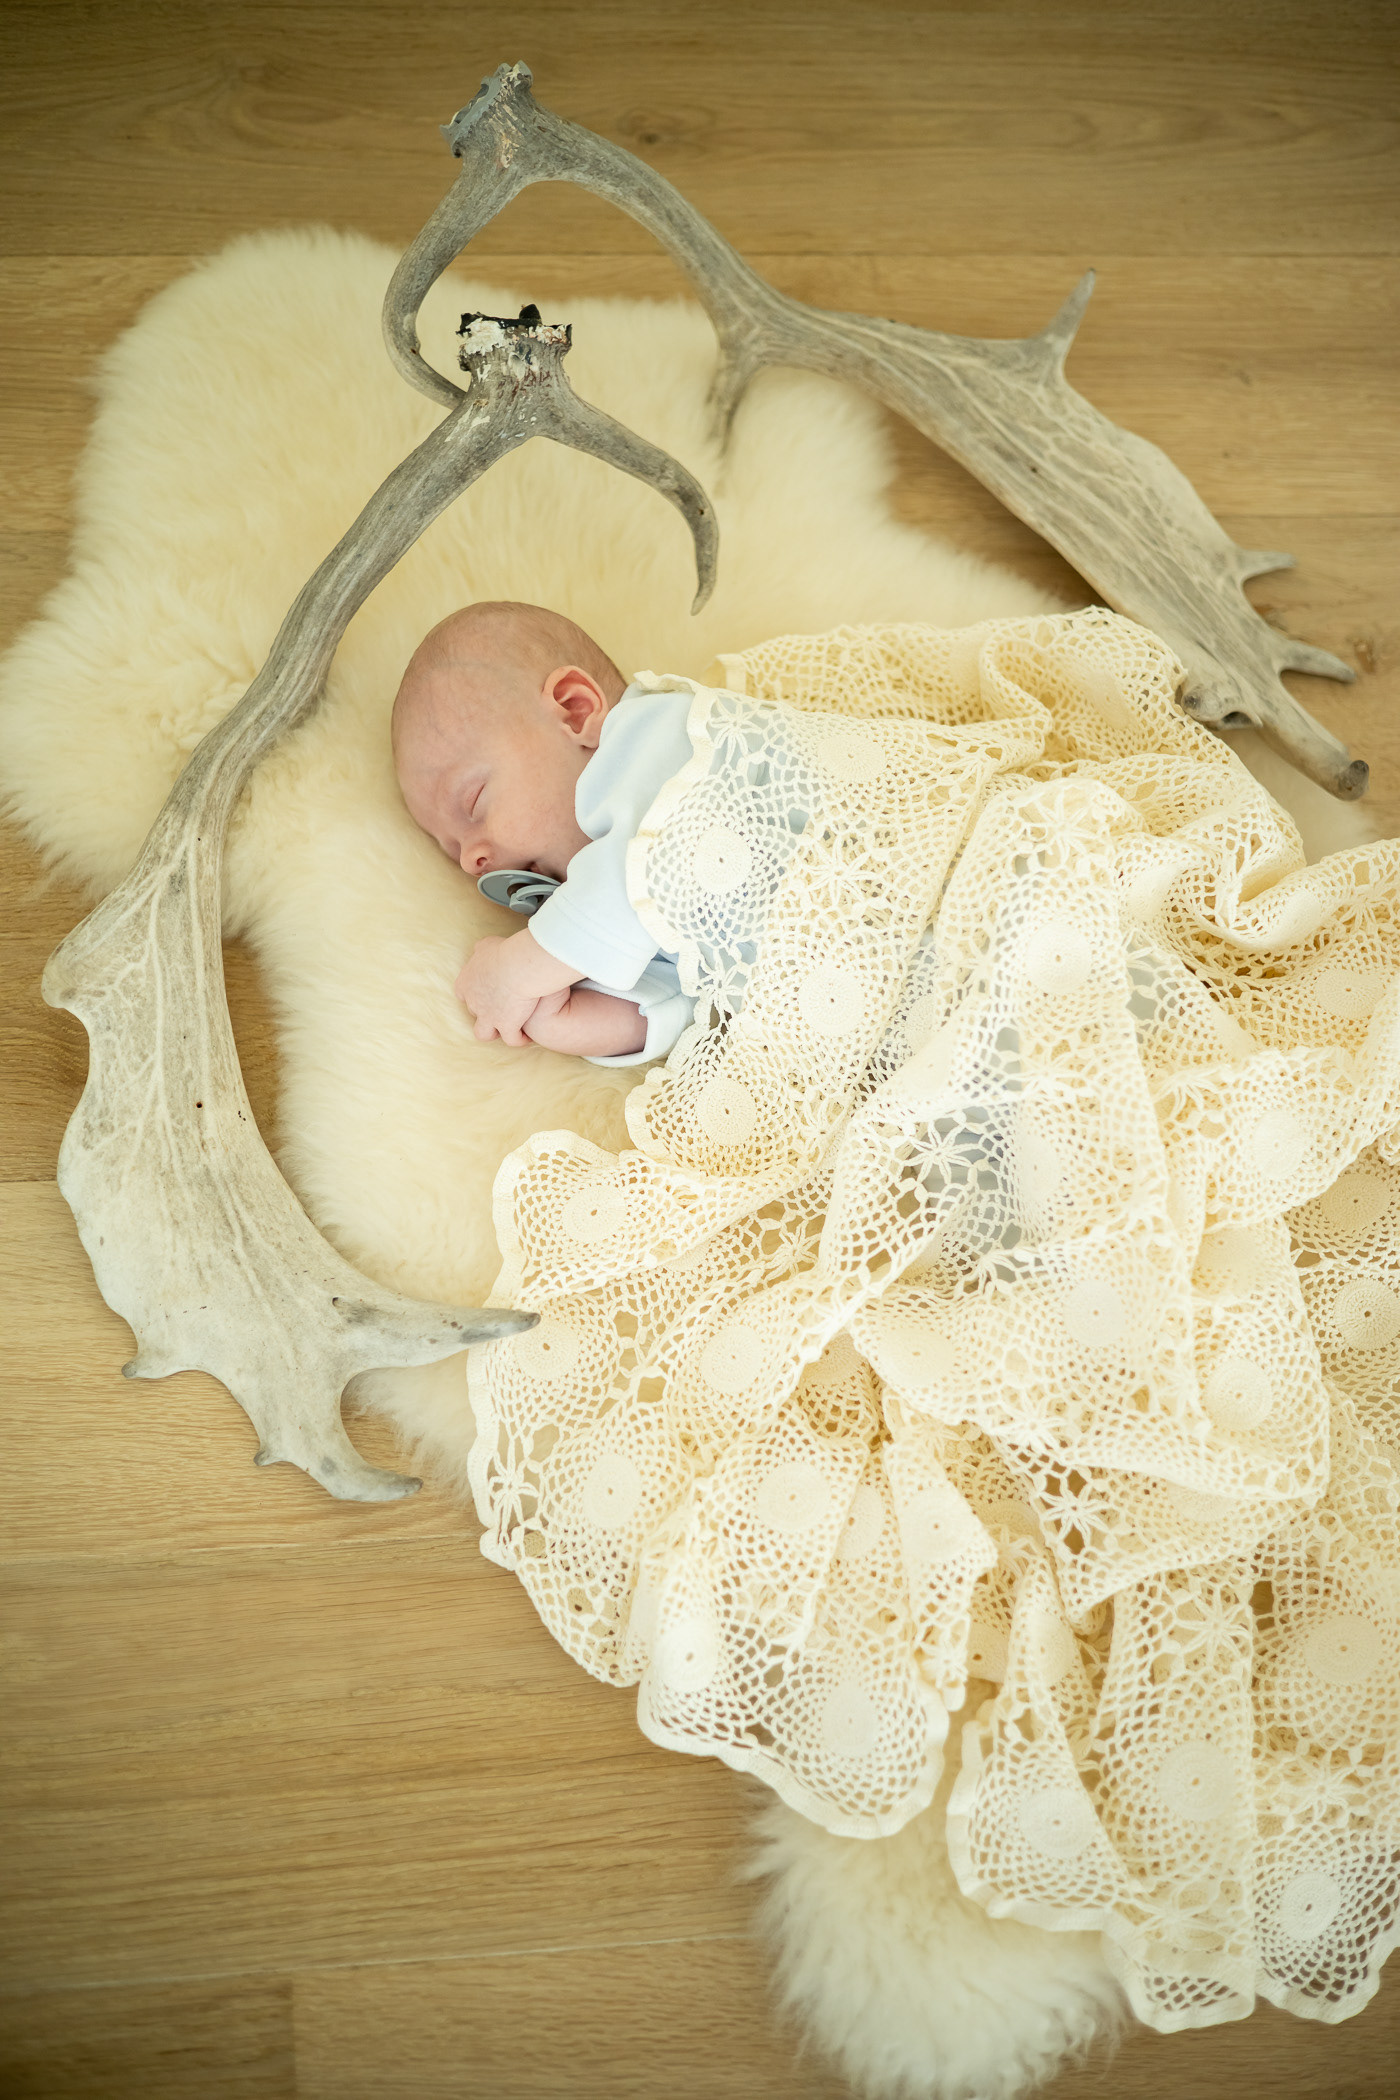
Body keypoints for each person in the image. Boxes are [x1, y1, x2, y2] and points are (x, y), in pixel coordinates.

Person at [392, 599, 695, 1064]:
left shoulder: (669, 739)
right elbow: (686, 1000)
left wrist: (517, 970)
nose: (470, 861)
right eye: (452, 848)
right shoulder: (615, 914)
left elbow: (644, 874)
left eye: (473, 802)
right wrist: (561, 1017)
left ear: (574, 712)